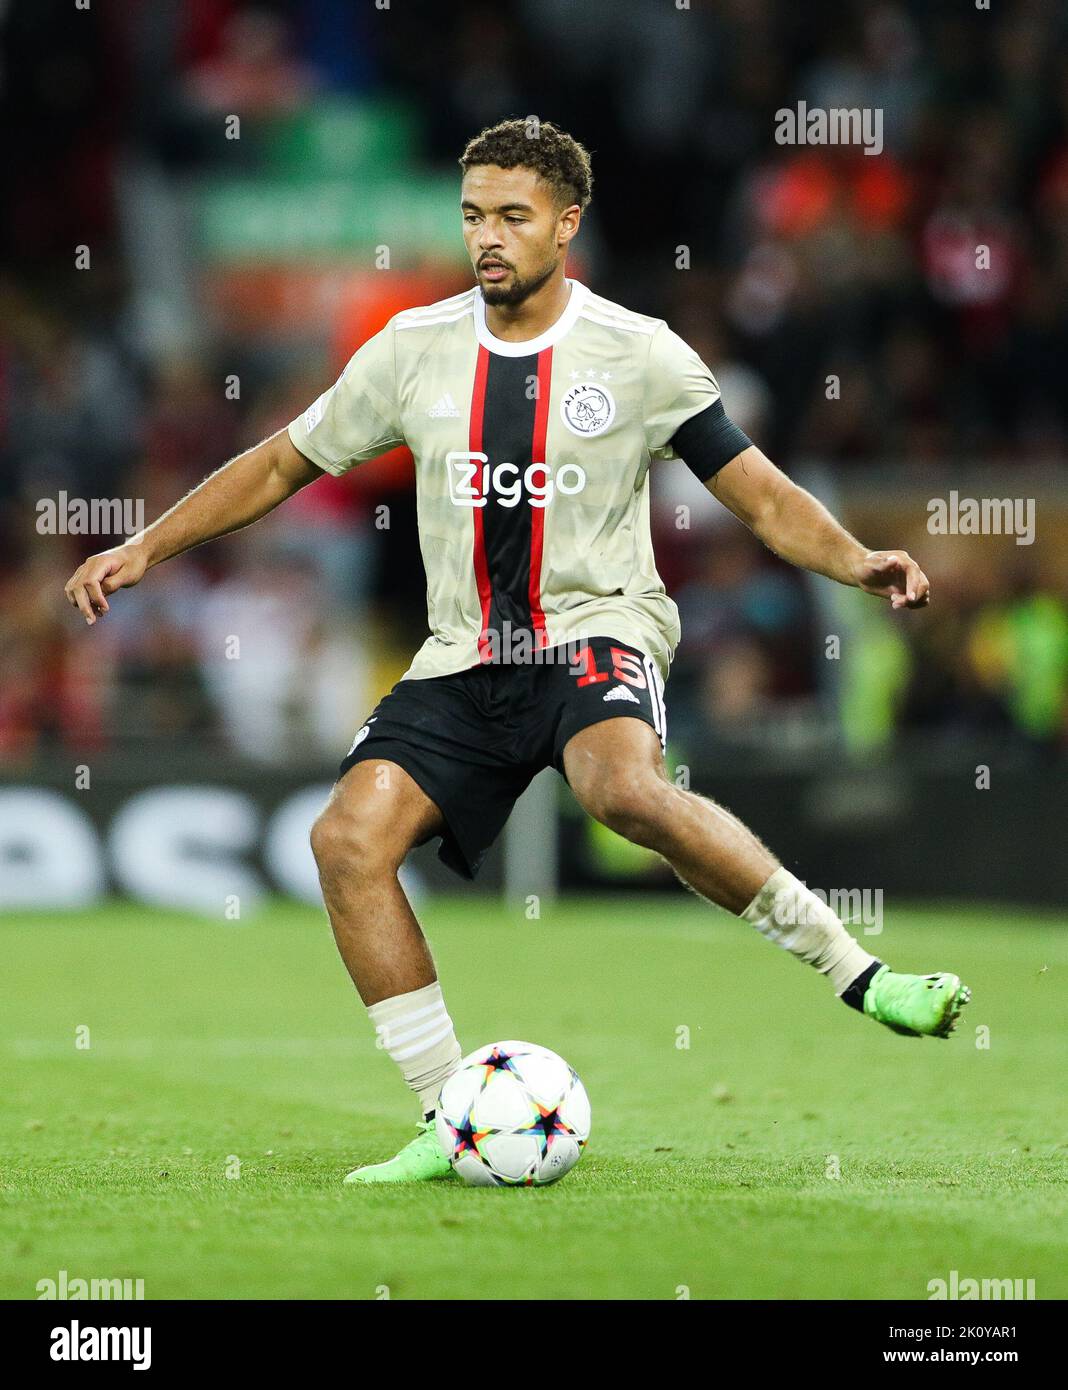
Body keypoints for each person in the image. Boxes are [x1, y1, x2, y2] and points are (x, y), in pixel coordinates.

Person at [64, 119, 969, 1185]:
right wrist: (146, 544)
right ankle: (450, 1114)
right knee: (346, 841)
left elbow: (758, 492)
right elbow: (276, 466)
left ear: (567, 224)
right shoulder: (412, 348)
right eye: (472, 217)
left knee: (622, 788)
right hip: (464, 655)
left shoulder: (638, 353)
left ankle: (861, 974)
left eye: (512, 217)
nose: (487, 238)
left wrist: (856, 559)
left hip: (598, 630)